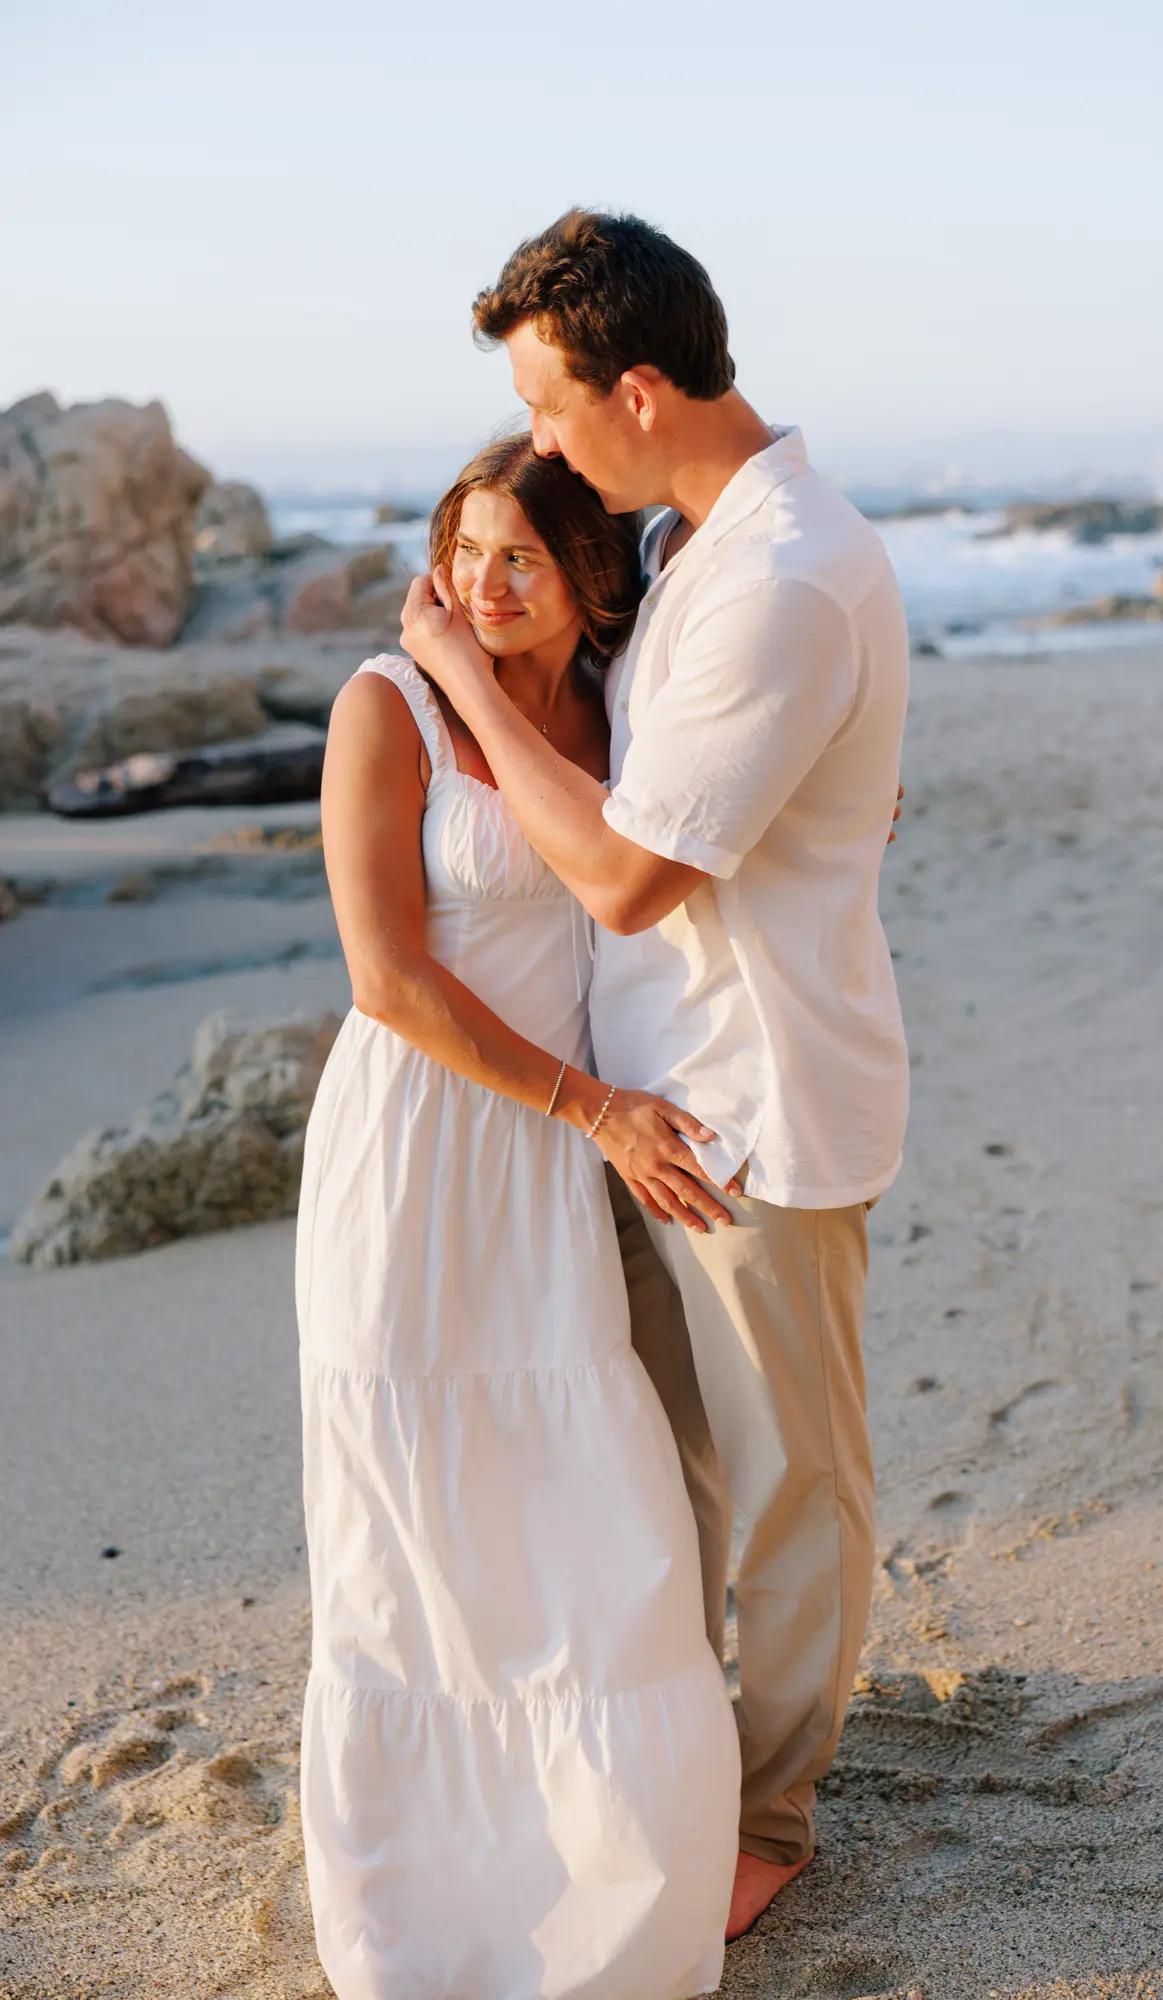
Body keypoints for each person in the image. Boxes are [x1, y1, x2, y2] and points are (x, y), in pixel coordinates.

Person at [399, 208, 910, 1941]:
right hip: (648, 1096)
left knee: (787, 1489)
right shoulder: (696, 543)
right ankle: (685, 1764)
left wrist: (458, 673)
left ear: (633, 390)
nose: (539, 448)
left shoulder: (778, 574)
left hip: (754, 1105)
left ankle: (767, 1817)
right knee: (663, 1467)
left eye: (547, 408)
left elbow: (625, 874)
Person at [296, 433, 740, 2000]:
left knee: (580, 1503)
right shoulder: (388, 706)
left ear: (588, 578)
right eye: (464, 552)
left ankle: (611, 1879)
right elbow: (386, 980)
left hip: (551, 1176)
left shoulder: (621, 710)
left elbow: (714, 816)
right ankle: (427, 1907)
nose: (482, 586)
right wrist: (593, 1109)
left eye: (521, 558)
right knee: (415, 1522)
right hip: (419, 1155)